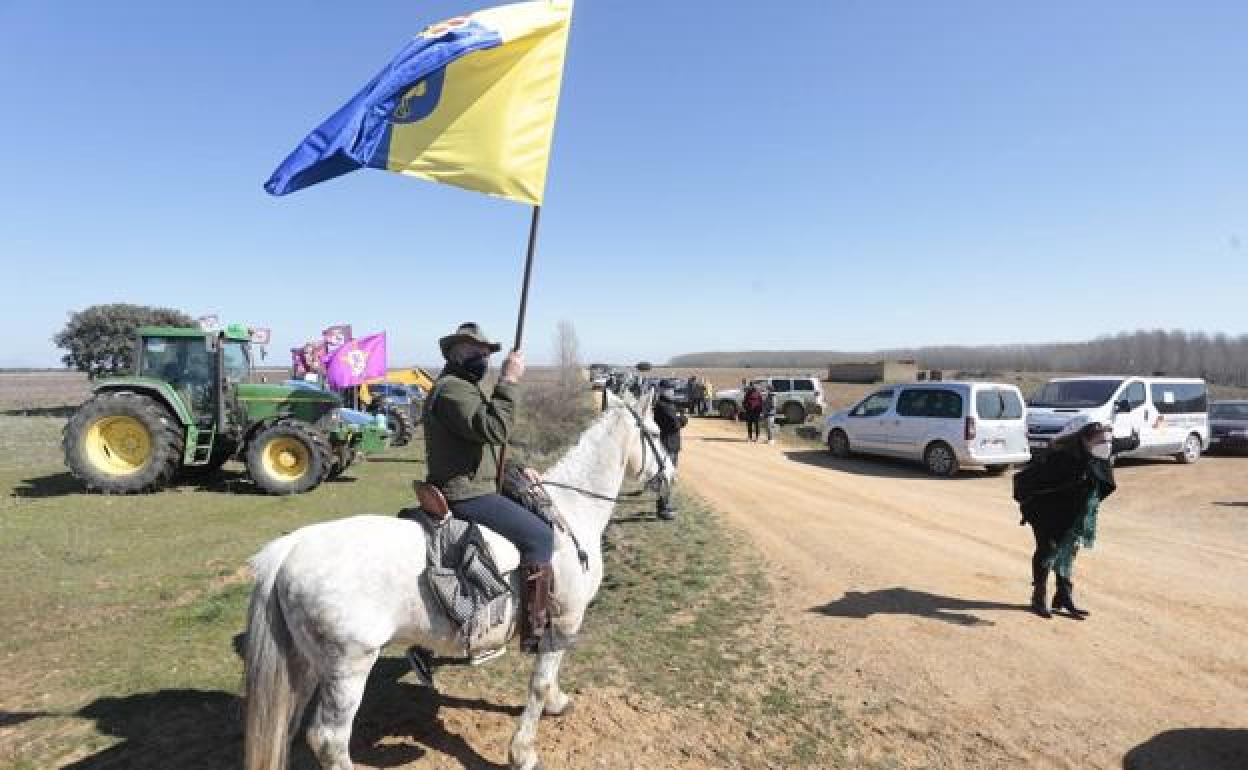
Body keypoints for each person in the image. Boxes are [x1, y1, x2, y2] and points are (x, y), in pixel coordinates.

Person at [422, 322, 553, 651]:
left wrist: (517, 468)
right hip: (466, 493)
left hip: (474, 483)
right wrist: (508, 381)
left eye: (486, 353)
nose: (482, 357)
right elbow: (494, 429)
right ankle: (534, 631)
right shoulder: (453, 389)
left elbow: (484, 447)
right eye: (474, 351)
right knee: (541, 536)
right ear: (454, 352)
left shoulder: (463, 387)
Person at [1014, 417, 1134, 619]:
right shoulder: (1058, 459)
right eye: (1095, 437)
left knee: (1068, 551)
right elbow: (1026, 483)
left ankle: (1063, 596)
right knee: (1048, 550)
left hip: (1074, 513)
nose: (1102, 442)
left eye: (1104, 437)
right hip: (1047, 512)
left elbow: (1123, 449)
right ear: (1080, 438)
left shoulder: (1097, 458)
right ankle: (1039, 596)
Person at [653, 386, 686, 520]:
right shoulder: (663, 406)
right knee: (666, 478)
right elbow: (676, 424)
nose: (671, 391)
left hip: (669, 443)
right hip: (668, 444)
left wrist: (678, 416)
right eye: (669, 389)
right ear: (663, 390)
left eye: (672, 389)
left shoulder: (665, 404)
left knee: (667, 477)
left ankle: (665, 504)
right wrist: (683, 417)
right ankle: (663, 508)